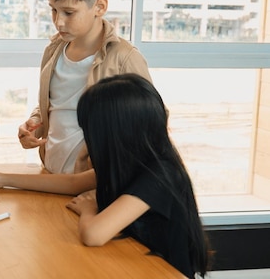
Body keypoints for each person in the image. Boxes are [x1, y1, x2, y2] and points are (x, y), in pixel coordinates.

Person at [0, 0, 152, 193]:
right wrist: (35, 122)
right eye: (53, 10)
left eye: (68, 12)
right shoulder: (54, 50)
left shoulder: (124, 58)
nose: (59, 22)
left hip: (95, 187)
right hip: (52, 175)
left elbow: (153, 125)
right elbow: (55, 104)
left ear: (99, 7)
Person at [66, 73, 210, 278]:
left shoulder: (161, 175)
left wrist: (88, 210)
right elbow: (72, 183)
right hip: (136, 266)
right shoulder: (132, 163)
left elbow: (93, 234)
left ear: (114, 133)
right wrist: (4, 178)